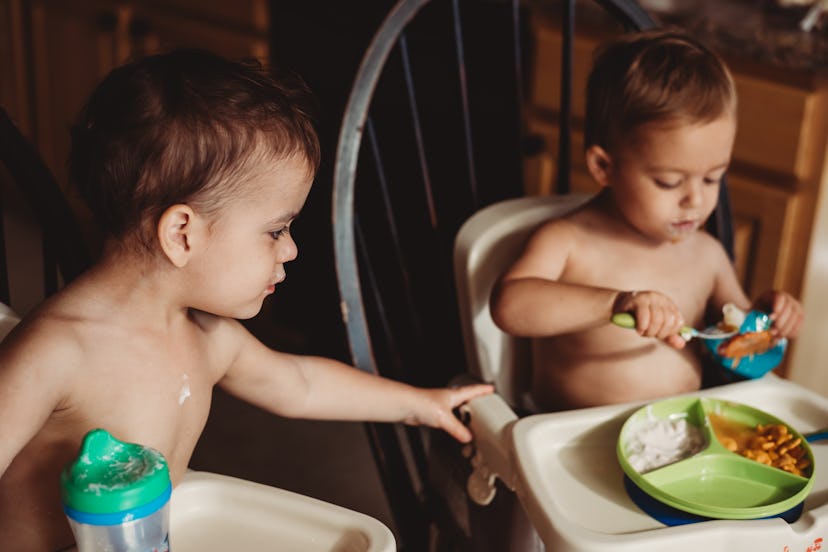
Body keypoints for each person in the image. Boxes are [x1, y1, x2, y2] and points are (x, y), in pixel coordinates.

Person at [0, 49, 493, 551]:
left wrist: (419, 405)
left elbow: (299, 385)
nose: (292, 249)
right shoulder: (58, 352)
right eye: (276, 229)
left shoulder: (207, 336)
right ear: (183, 233)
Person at [490, 29, 803, 412]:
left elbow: (737, 350)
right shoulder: (569, 241)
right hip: (574, 444)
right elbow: (510, 305)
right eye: (669, 182)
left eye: (712, 177)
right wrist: (614, 304)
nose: (696, 199)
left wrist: (769, 323)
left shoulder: (707, 255)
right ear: (604, 166)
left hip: (684, 439)